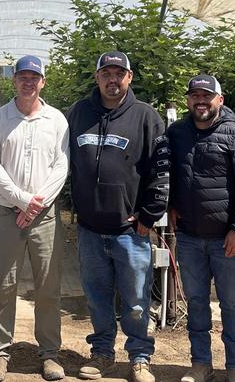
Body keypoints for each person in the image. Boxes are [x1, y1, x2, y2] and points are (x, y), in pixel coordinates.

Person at [67, 51, 170, 382]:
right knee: (97, 298)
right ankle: (102, 354)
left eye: (119, 73)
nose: (112, 79)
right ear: (97, 77)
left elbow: (161, 171)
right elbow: (64, 160)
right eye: (106, 73)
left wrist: (149, 215)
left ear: (129, 77)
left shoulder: (146, 116)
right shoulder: (79, 113)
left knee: (136, 301)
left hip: (130, 231)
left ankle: (140, 357)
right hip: (89, 229)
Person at [0, 55, 69, 382]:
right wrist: (21, 200)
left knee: (48, 287)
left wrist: (36, 204)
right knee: (3, 285)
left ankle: (49, 353)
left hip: (44, 217)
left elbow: (61, 166)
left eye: (34, 77)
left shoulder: (56, 120)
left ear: (43, 82)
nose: (28, 82)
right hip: (8, 214)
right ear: (14, 80)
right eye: (23, 77)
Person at [167, 74, 235, 382]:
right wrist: (171, 204)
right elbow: (169, 173)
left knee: (231, 303)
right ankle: (200, 363)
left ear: (220, 99)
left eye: (207, 96)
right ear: (188, 100)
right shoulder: (177, 133)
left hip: (226, 239)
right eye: (195, 95)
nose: (201, 101)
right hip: (190, 237)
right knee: (196, 303)